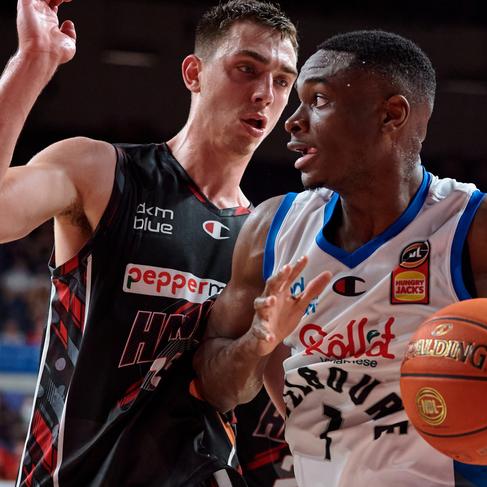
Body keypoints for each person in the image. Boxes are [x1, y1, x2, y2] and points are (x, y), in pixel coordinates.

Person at [193, 30, 487, 487]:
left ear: (391, 114)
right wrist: (259, 339)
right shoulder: (272, 230)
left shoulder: (483, 229)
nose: (293, 121)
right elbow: (217, 388)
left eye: (320, 100)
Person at [0, 0, 299, 485]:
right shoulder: (99, 171)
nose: (265, 93)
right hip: (74, 471)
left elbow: (242, 392)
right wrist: (32, 62)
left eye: (283, 81)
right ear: (194, 73)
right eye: (248, 69)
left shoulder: (268, 236)